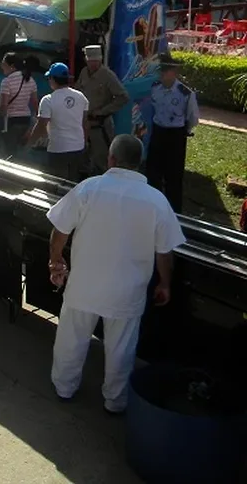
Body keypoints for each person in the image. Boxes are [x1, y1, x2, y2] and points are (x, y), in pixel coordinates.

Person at [48, 134, 185, 414]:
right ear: (140, 163)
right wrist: (165, 284)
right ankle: (115, 401)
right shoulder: (157, 201)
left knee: (71, 339)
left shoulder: (89, 189)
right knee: (121, 349)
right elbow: (164, 253)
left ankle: (64, 387)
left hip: (84, 285)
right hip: (128, 291)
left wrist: (56, 261)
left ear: (111, 159)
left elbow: (60, 230)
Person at [146, 54, 199, 213]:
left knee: (174, 176)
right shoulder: (155, 88)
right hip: (158, 132)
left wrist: (184, 130)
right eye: (161, 71)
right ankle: (151, 207)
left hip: (175, 136)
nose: (162, 74)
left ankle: (174, 212)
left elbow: (193, 117)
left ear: (174, 72)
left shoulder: (185, 93)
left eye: (166, 71)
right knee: (153, 173)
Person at [26, 62, 89, 181]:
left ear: (53, 79)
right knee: (74, 183)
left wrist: (29, 144)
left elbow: (41, 125)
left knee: (57, 184)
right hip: (78, 148)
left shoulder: (48, 100)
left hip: (58, 149)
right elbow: (85, 122)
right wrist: (84, 142)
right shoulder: (81, 97)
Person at [75, 44, 130, 174]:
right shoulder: (84, 73)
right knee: (84, 161)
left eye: (96, 61)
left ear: (100, 60)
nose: (93, 64)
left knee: (103, 162)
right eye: (90, 61)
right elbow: (77, 91)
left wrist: (103, 111)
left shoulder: (107, 75)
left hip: (100, 126)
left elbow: (123, 97)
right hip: (84, 124)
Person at [0, 52, 39, 155]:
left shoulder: (6, 82)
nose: (1, 66)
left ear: (12, 66)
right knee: (22, 151)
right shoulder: (30, 80)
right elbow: (35, 103)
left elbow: (4, 105)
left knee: (10, 152)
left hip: (11, 121)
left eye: (3, 63)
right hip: (26, 120)